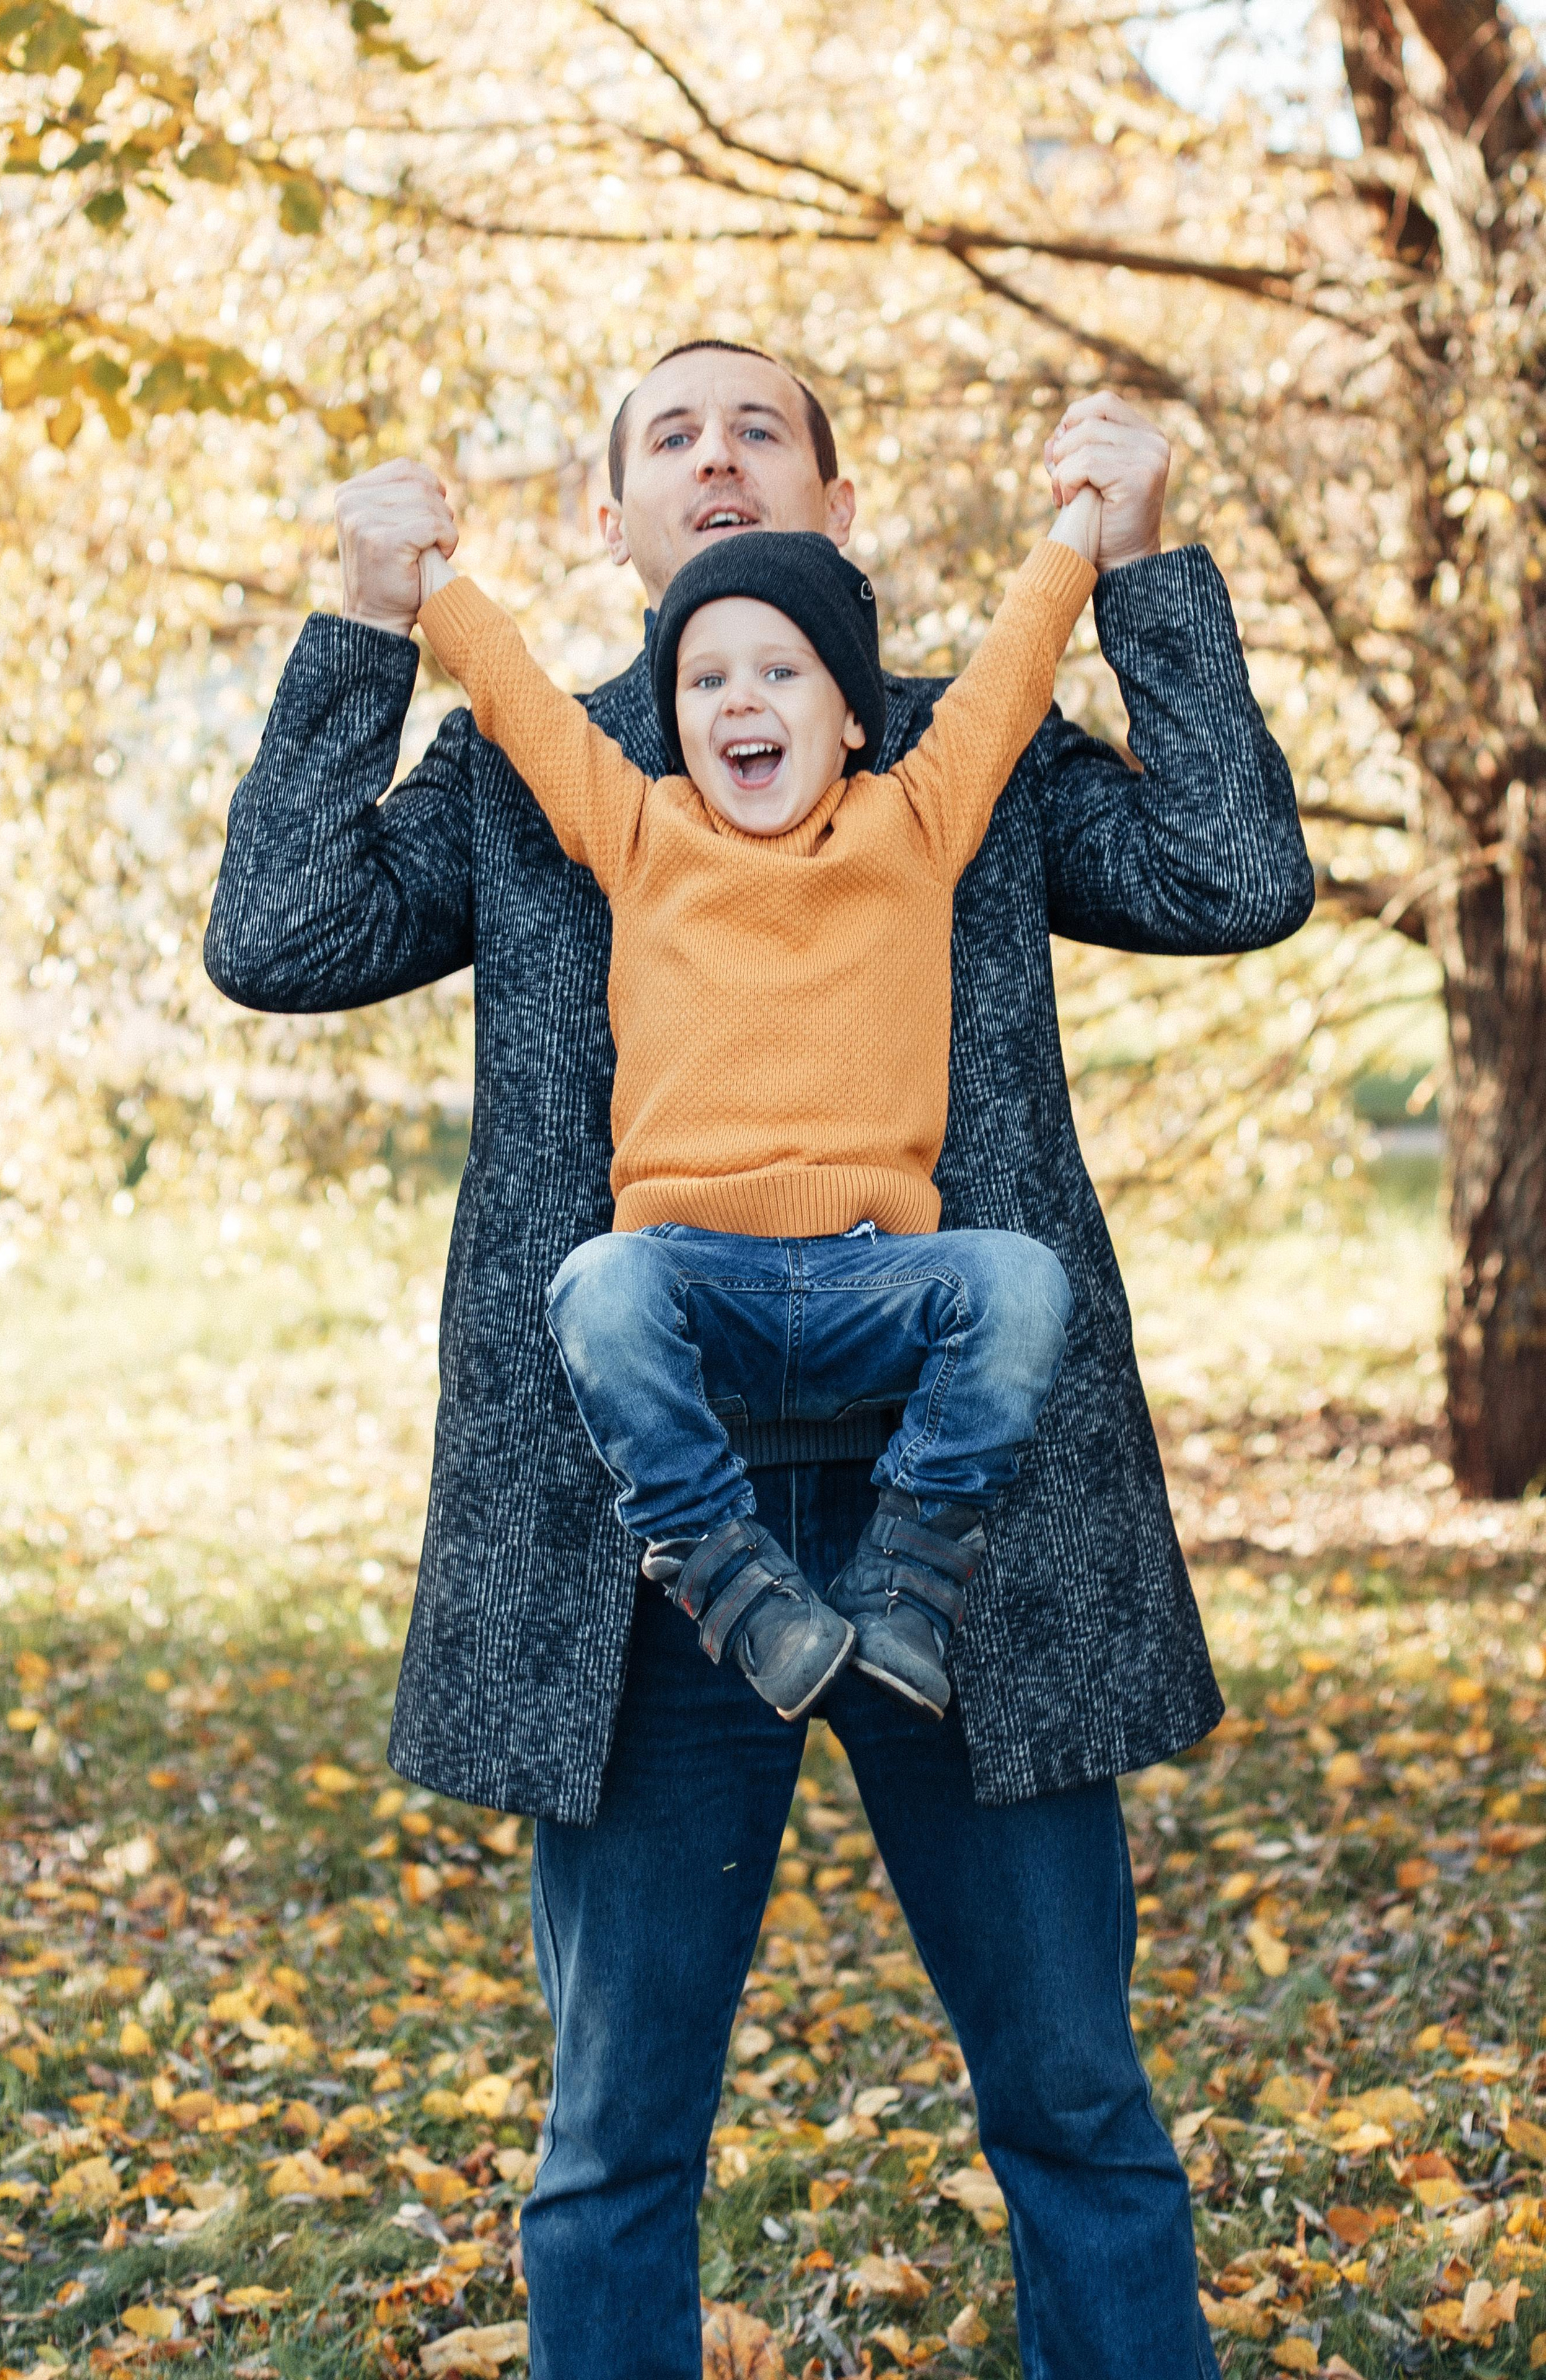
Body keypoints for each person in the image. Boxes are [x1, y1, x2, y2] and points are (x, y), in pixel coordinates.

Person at [206, 340, 1314, 2379]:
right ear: (613, 525)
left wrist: (1140, 568)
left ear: (836, 508)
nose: (715, 459)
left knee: (1076, 2103)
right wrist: (372, 623)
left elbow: (1241, 882)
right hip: (640, 1542)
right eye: (669, 440)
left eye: (761, 432)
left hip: (974, 1528)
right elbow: (277, 935)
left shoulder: (955, 774)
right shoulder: (537, 786)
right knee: (616, 2139)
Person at [412, 492, 1102, 1724]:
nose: (738, 699)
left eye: (779, 670)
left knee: (1020, 1283)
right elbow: (514, 693)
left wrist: (1084, 531)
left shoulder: (912, 822)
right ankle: (727, 1577)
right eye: (703, 679)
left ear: (847, 717)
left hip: (871, 1283)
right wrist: (425, 581)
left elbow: (1008, 670)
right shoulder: (639, 832)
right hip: (691, 1284)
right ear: (674, 723)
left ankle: (905, 1585)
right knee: (594, 1285)